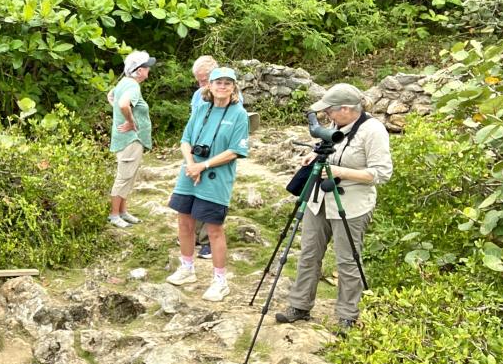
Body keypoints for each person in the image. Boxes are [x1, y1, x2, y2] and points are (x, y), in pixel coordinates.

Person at [275, 83, 393, 331]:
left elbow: (381, 173)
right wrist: (316, 157)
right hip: (319, 200)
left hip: (351, 204)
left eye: (329, 110)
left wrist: (340, 172)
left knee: (347, 260)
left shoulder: (373, 131)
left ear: (347, 109)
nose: (326, 115)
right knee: (308, 253)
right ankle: (299, 306)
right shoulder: (335, 126)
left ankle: (347, 316)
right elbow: (329, 152)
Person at [166, 67, 250, 301]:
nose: (222, 87)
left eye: (227, 83)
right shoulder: (202, 108)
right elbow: (185, 140)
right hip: (190, 172)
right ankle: (187, 267)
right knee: (184, 221)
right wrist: (191, 164)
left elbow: (235, 150)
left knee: (214, 228)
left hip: (215, 177)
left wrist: (202, 167)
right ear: (209, 86)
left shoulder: (239, 114)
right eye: (218, 82)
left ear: (234, 87)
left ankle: (220, 281)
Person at [107, 50, 155, 229]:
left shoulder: (124, 83)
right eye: (147, 66)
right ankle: (114, 214)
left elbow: (111, 96)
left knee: (130, 176)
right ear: (139, 70)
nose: (149, 69)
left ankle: (123, 211)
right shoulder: (133, 86)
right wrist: (130, 122)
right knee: (124, 176)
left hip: (129, 139)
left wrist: (122, 116)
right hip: (130, 140)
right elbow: (122, 104)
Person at [189, 56, 219, 258]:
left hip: (216, 154)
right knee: (194, 191)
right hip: (196, 150)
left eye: (203, 80)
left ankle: (208, 240)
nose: (200, 85)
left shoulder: (230, 96)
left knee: (211, 195)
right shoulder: (198, 95)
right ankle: (194, 236)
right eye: (198, 81)